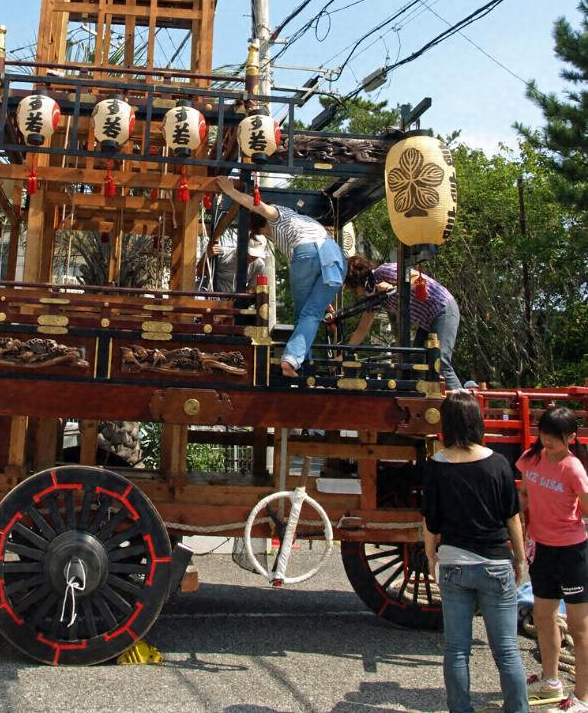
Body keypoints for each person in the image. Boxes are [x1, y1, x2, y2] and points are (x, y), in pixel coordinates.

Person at [422, 391, 528, 713]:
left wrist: (430, 556)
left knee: (456, 650)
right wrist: (520, 559)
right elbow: (512, 517)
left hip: (454, 563)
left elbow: (430, 521)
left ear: (448, 424)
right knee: (507, 650)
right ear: (477, 421)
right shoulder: (498, 464)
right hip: (495, 562)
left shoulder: (435, 466)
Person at [215, 176, 345, 377]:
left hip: (306, 253)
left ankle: (294, 361)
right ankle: (298, 361)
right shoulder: (304, 221)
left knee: (304, 314)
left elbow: (258, 205)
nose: (266, 236)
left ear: (261, 227)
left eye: (262, 232)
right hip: (334, 257)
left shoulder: (279, 216)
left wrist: (231, 192)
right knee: (312, 314)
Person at [518, 407, 588, 710]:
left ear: (571, 438)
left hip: (572, 552)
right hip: (542, 549)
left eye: (554, 439)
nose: (547, 442)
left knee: (578, 626)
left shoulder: (574, 469)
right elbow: (523, 495)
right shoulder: (531, 458)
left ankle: (583, 695)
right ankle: (551, 680)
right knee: (544, 617)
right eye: (543, 436)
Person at [343, 254, 462, 390]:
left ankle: (462, 403)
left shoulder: (384, 271)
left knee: (439, 361)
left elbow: (417, 278)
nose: (353, 292)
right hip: (427, 321)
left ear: (356, 279)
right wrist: (342, 355)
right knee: (418, 362)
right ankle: (425, 401)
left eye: (350, 287)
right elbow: (361, 330)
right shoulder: (372, 294)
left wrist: (394, 287)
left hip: (442, 308)